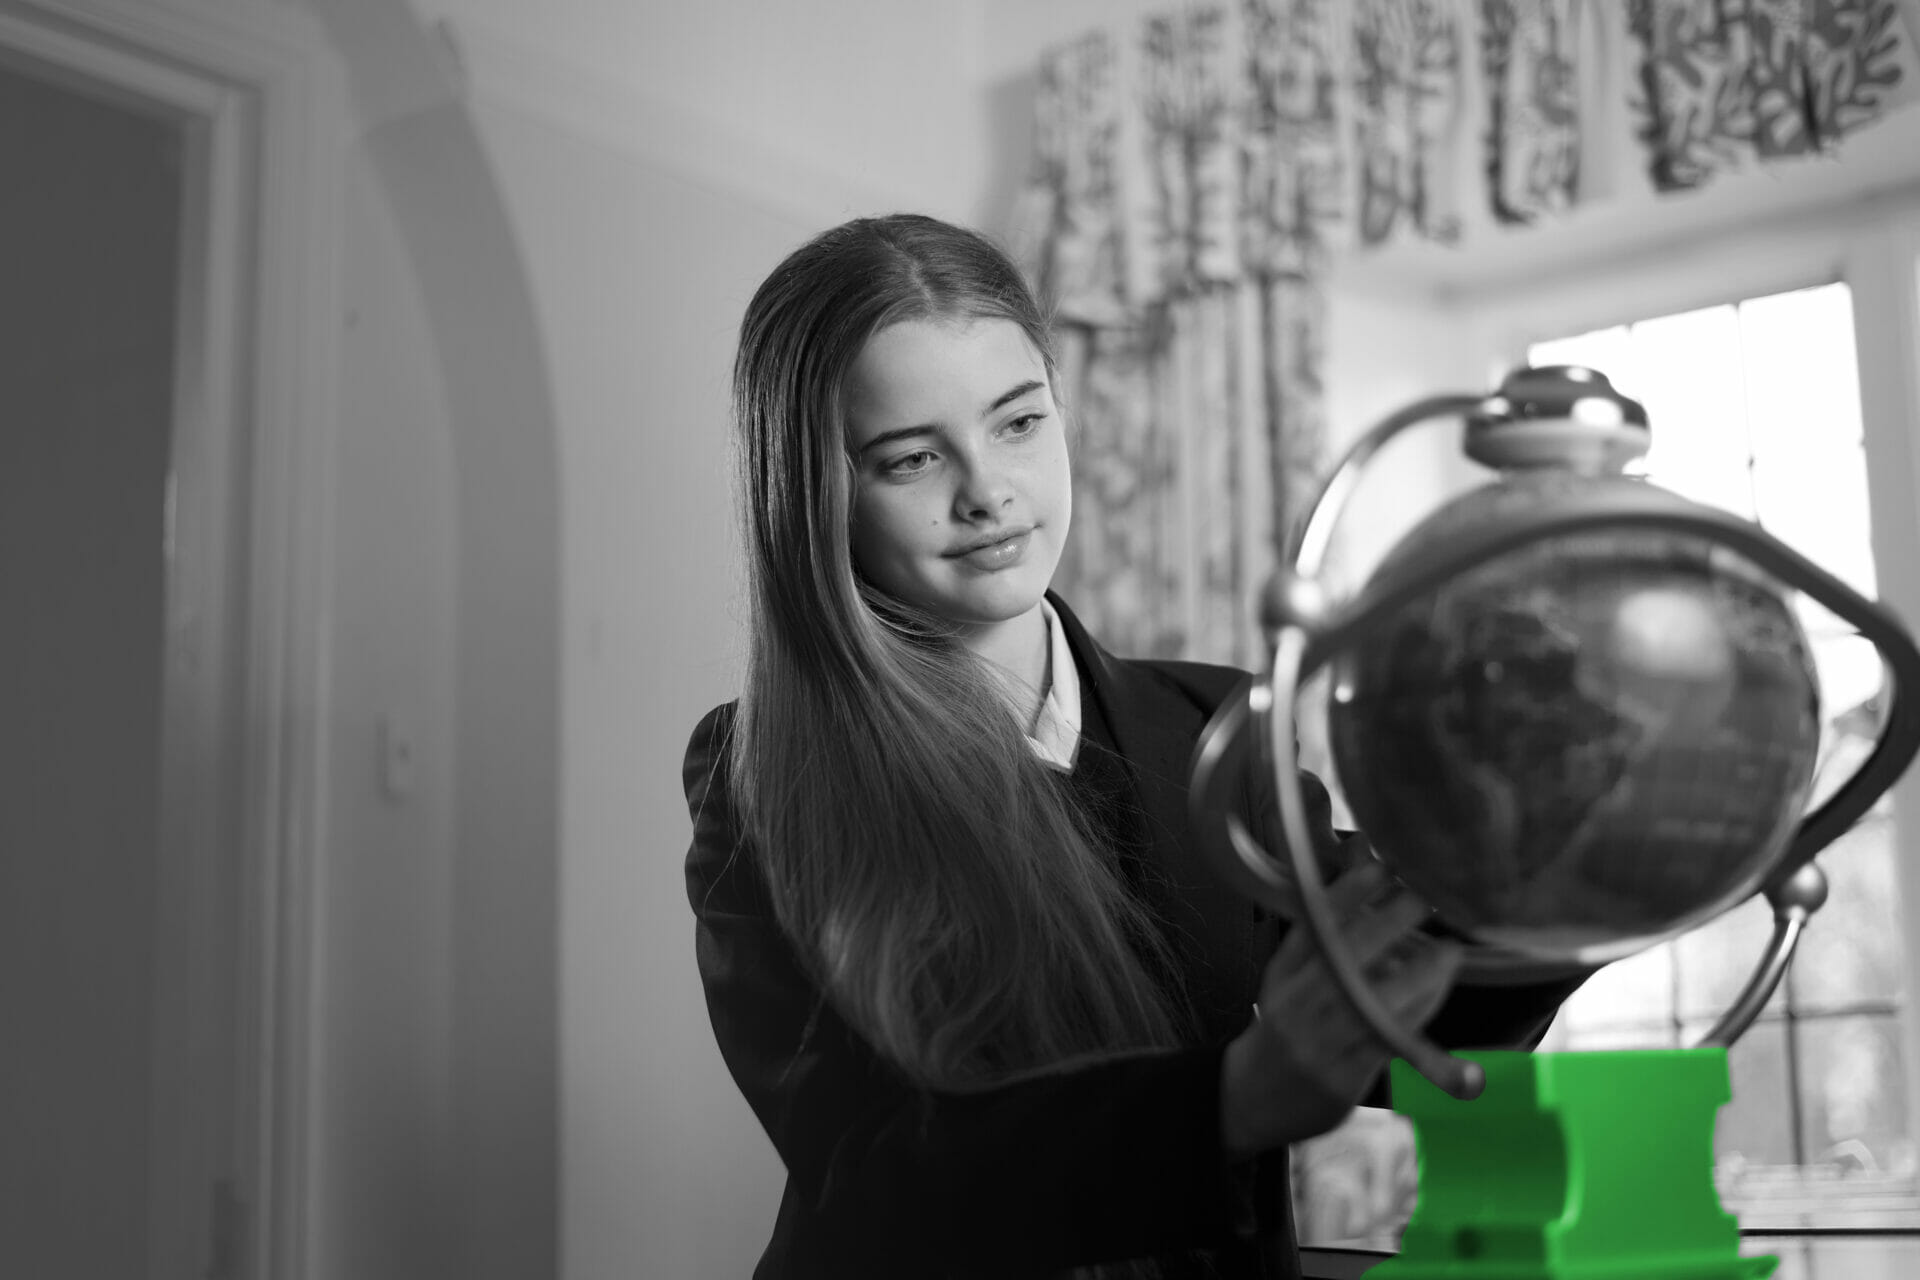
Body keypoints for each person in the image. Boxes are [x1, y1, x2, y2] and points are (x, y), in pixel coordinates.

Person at [684, 213, 1584, 1279]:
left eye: (1018, 423)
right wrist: (1234, 1097)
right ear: (815, 495)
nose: (987, 490)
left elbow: (1412, 1024)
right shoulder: (758, 771)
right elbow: (878, 1178)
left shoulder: (1218, 732)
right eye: (913, 457)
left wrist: (1579, 858)